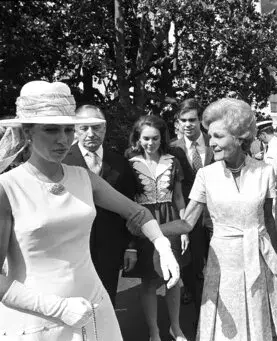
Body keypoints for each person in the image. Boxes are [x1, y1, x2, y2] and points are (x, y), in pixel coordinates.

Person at [0, 80, 185, 341]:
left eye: (67, 130)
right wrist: (57, 308)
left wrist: (161, 244)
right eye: (51, 130)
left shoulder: (83, 177)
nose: (63, 139)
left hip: (93, 304)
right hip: (36, 316)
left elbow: (137, 212)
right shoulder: (8, 188)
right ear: (28, 132)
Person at [183, 98, 277, 341]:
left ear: (239, 136)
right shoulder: (205, 175)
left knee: (258, 322)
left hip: (258, 256)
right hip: (223, 262)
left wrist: (276, 258)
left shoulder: (264, 171)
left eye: (218, 136)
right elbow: (188, 222)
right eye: (209, 136)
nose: (211, 142)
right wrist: (149, 227)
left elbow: (269, 219)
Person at [63, 104, 137, 306]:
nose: (91, 133)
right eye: (84, 128)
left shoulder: (120, 163)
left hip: (110, 248)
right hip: (71, 248)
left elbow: (129, 207)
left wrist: (131, 247)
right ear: (75, 130)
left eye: (97, 127)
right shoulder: (61, 162)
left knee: (107, 302)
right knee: (74, 305)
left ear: (105, 128)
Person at [124, 115, 189, 341]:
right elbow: (127, 199)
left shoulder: (174, 160)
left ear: (162, 138)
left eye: (155, 138)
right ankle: (154, 330)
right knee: (150, 280)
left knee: (174, 277)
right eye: (145, 139)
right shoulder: (129, 163)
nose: (150, 143)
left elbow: (179, 197)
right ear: (138, 139)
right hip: (143, 220)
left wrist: (184, 229)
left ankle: (176, 327)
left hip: (170, 219)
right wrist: (129, 244)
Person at [170, 98, 214, 324]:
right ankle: (200, 319)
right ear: (178, 123)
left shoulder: (215, 142)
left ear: (201, 121)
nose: (188, 124)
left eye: (192, 120)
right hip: (189, 216)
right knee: (194, 266)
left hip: (217, 216)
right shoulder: (171, 149)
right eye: (183, 120)